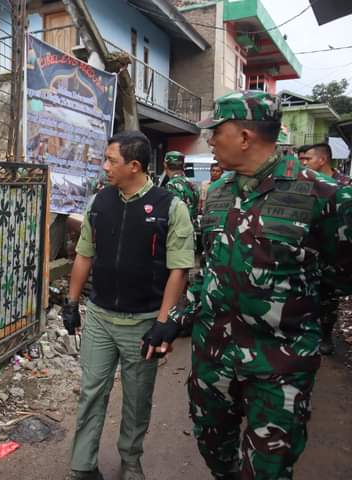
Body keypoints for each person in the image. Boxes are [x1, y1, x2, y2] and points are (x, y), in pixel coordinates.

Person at [186, 90, 352, 479]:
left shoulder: (325, 196)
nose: (209, 140)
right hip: (213, 358)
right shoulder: (217, 193)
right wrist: (179, 314)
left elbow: (341, 273)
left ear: (245, 137)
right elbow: (210, 265)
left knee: (267, 470)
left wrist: (293, 307)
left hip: (280, 365)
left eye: (216, 131)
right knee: (214, 451)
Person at [62, 131, 194, 480]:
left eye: (111, 160)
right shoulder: (100, 202)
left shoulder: (170, 206)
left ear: (134, 166)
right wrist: (71, 302)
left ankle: (131, 460)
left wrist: (164, 321)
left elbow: (179, 269)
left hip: (143, 322)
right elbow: (83, 255)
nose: (105, 166)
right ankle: (82, 466)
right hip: (101, 317)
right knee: (92, 392)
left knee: (137, 399)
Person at [298, 143, 352, 355]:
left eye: (307, 159)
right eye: (301, 159)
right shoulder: (305, 185)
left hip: (334, 252)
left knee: (328, 298)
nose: (302, 163)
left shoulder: (343, 186)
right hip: (310, 250)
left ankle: (326, 334)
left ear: (322, 160)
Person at [162, 151, 200, 224]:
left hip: (179, 229)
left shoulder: (171, 185)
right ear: (183, 165)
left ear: (165, 165)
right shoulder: (192, 184)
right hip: (192, 229)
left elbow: (172, 212)